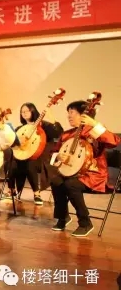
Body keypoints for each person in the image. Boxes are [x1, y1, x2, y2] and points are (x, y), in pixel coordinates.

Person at [49, 100, 120, 237]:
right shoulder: (67, 134)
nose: (69, 116)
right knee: (55, 181)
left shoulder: (94, 131)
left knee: (71, 185)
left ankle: (85, 222)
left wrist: (94, 124)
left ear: (83, 115)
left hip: (92, 175)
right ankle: (63, 217)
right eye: (68, 113)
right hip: (70, 173)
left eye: (72, 113)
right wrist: (58, 156)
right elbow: (54, 152)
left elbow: (114, 141)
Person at [7, 103, 63, 205]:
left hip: (41, 158)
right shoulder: (20, 128)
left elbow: (58, 133)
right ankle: (12, 190)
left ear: (33, 111)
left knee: (29, 163)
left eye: (27, 111)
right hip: (23, 156)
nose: (24, 113)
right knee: (11, 161)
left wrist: (52, 118)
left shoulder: (43, 125)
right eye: (22, 111)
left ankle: (36, 194)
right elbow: (14, 143)